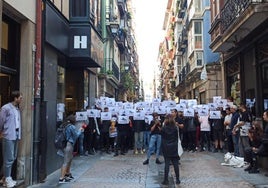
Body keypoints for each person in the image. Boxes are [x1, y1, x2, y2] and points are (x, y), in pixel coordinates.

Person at [0, 91, 23, 188]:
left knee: (13, 157)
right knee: (8, 159)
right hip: (8, 135)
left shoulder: (17, 109)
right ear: (15, 98)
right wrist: (2, 132)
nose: (21, 99)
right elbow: (1, 120)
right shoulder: (5, 108)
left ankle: (4, 178)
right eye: (20, 98)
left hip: (16, 135)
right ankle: (7, 178)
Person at [59, 115, 84, 183]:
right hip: (69, 145)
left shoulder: (64, 125)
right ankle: (62, 178)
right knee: (66, 161)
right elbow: (76, 135)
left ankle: (67, 174)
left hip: (64, 144)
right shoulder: (71, 127)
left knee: (69, 159)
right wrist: (80, 130)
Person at [161, 114, 180, 185]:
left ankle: (166, 180)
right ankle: (177, 179)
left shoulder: (164, 128)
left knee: (166, 164)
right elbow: (176, 137)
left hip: (166, 147)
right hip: (174, 147)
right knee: (175, 164)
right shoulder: (175, 128)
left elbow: (162, 136)